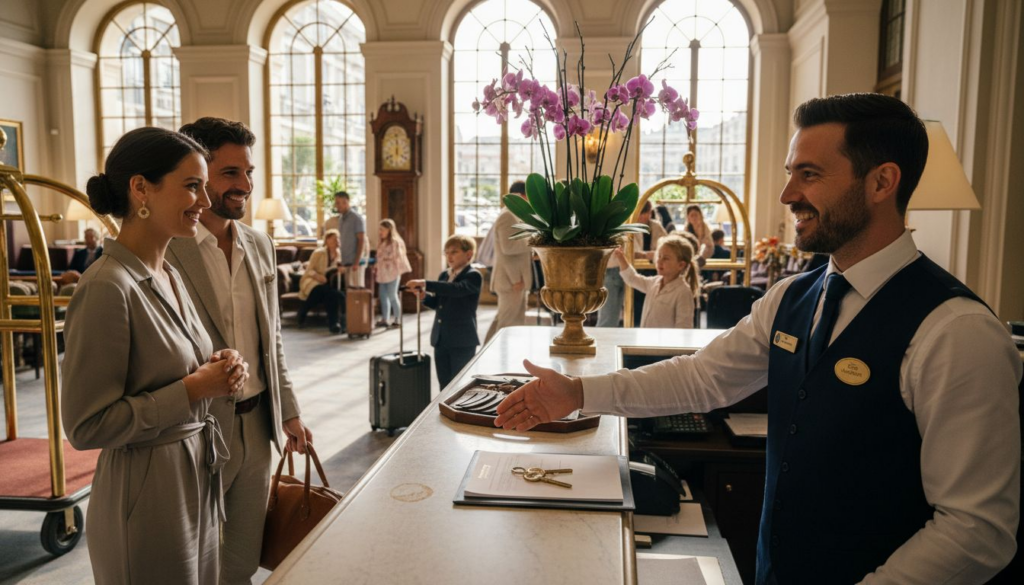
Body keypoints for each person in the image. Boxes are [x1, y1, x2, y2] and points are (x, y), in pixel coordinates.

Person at [495, 93, 1021, 584]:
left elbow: (976, 531)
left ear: (882, 182)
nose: (788, 195)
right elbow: (701, 379)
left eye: (809, 175)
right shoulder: (792, 297)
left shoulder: (956, 332)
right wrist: (578, 394)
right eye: (791, 174)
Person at [61, 127, 250, 585]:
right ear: (141, 188)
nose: (205, 199)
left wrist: (220, 364)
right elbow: (86, 426)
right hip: (147, 492)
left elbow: (176, 364)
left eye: (204, 186)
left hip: (195, 476)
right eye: (192, 185)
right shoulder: (107, 286)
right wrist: (194, 389)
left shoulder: (169, 274)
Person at [171, 117, 313, 584]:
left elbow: (272, 339)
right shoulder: (169, 250)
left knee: (242, 561)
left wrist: (289, 411)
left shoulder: (260, 244)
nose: (246, 185)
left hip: (258, 425)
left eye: (248, 172)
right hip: (197, 430)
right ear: (197, 175)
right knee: (196, 560)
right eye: (230, 173)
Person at [407, 235, 482, 388]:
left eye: (454, 252)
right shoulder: (444, 275)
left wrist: (426, 283)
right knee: (444, 384)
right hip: (441, 339)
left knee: (460, 385)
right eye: (446, 252)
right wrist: (424, 296)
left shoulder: (473, 275)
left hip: (462, 340)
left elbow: (456, 289)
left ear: (468, 254)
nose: (449, 256)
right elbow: (438, 303)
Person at [597, 199, 668, 328]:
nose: (643, 216)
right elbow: (630, 252)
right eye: (641, 213)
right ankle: (604, 339)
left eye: (646, 213)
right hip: (615, 270)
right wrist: (648, 255)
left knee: (631, 313)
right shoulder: (626, 224)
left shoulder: (653, 226)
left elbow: (665, 245)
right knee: (609, 316)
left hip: (634, 270)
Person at [613, 235, 699, 328]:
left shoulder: (683, 292)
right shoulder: (654, 282)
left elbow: (684, 327)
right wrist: (620, 257)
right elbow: (631, 278)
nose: (659, 261)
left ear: (681, 265)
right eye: (659, 256)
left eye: (666, 258)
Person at [484, 180, 533, 342]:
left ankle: (486, 352)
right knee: (508, 324)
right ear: (521, 196)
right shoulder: (507, 216)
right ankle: (499, 354)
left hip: (515, 280)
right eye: (529, 197)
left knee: (507, 321)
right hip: (511, 281)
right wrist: (533, 242)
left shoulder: (513, 214)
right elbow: (508, 248)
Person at [298, 229, 345, 333]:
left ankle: (334, 325)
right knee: (330, 293)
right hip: (312, 281)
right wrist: (318, 277)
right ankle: (334, 323)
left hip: (327, 284)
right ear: (327, 240)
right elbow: (309, 270)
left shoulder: (339, 254)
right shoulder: (319, 253)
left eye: (338, 238)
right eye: (334, 239)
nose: (337, 241)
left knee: (331, 295)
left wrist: (341, 271)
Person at [323, 191, 367, 289]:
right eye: (336, 203)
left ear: (346, 202)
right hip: (345, 262)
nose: (336, 206)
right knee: (348, 292)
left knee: (356, 292)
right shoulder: (341, 219)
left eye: (338, 203)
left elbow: (361, 241)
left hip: (355, 263)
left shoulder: (357, 219)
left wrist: (356, 262)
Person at [376, 218, 412, 329]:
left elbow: (398, 257)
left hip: (392, 273)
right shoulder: (382, 243)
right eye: (379, 229)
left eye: (382, 229)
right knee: (383, 296)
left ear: (389, 230)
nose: (380, 232)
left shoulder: (396, 242)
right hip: (382, 274)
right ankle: (385, 319)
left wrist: (386, 259)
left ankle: (397, 319)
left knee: (392, 296)